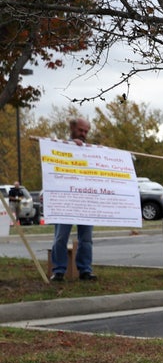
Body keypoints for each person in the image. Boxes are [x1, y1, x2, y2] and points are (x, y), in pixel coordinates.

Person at [50, 117, 98, 282]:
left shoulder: (90, 150)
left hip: (85, 201)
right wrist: (70, 146)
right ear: (72, 129)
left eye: (86, 131)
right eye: (81, 130)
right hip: (65, 201)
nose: (83, 134)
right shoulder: (60, 147)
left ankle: (85, 270)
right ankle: (58, 271)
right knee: (60, 237)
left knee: (86, 238)